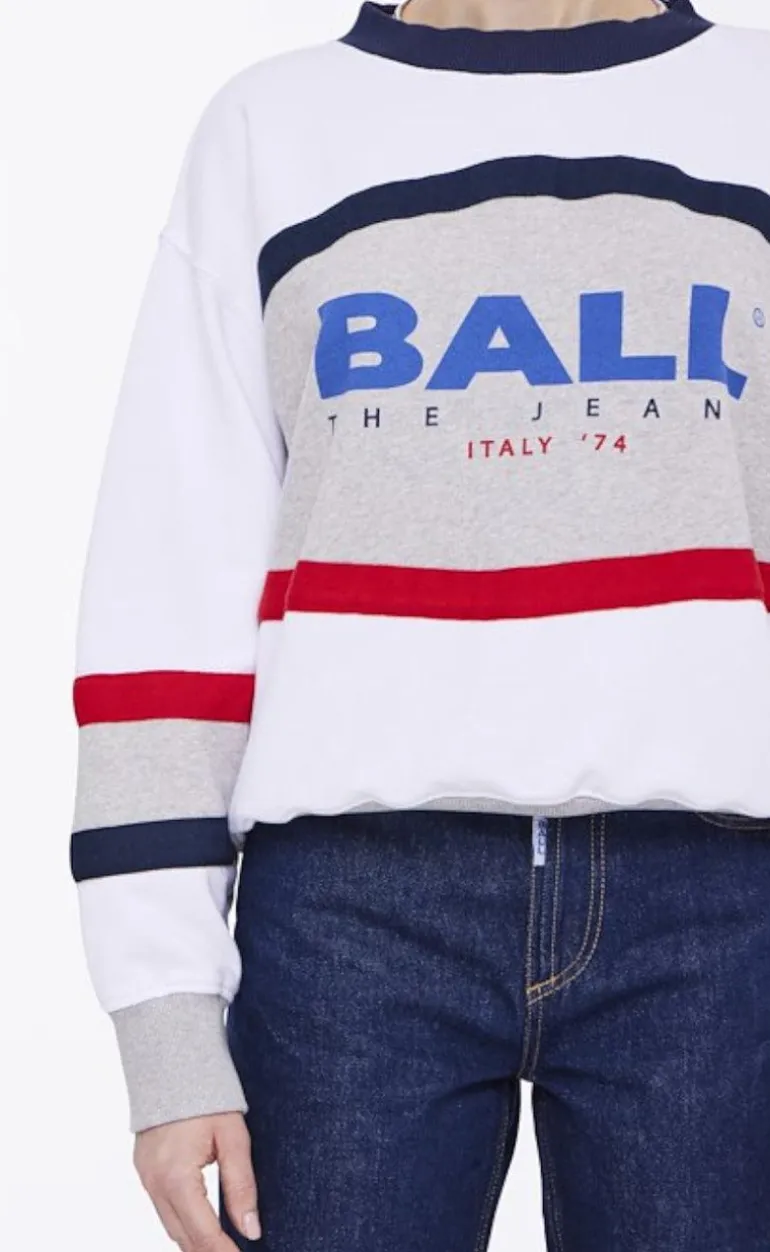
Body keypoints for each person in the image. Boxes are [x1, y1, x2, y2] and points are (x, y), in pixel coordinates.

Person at [69, 0, 770, 1248]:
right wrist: (165, 1026)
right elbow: (169, 572)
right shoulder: (272, 127)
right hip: (352, 921)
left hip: (718, 909)